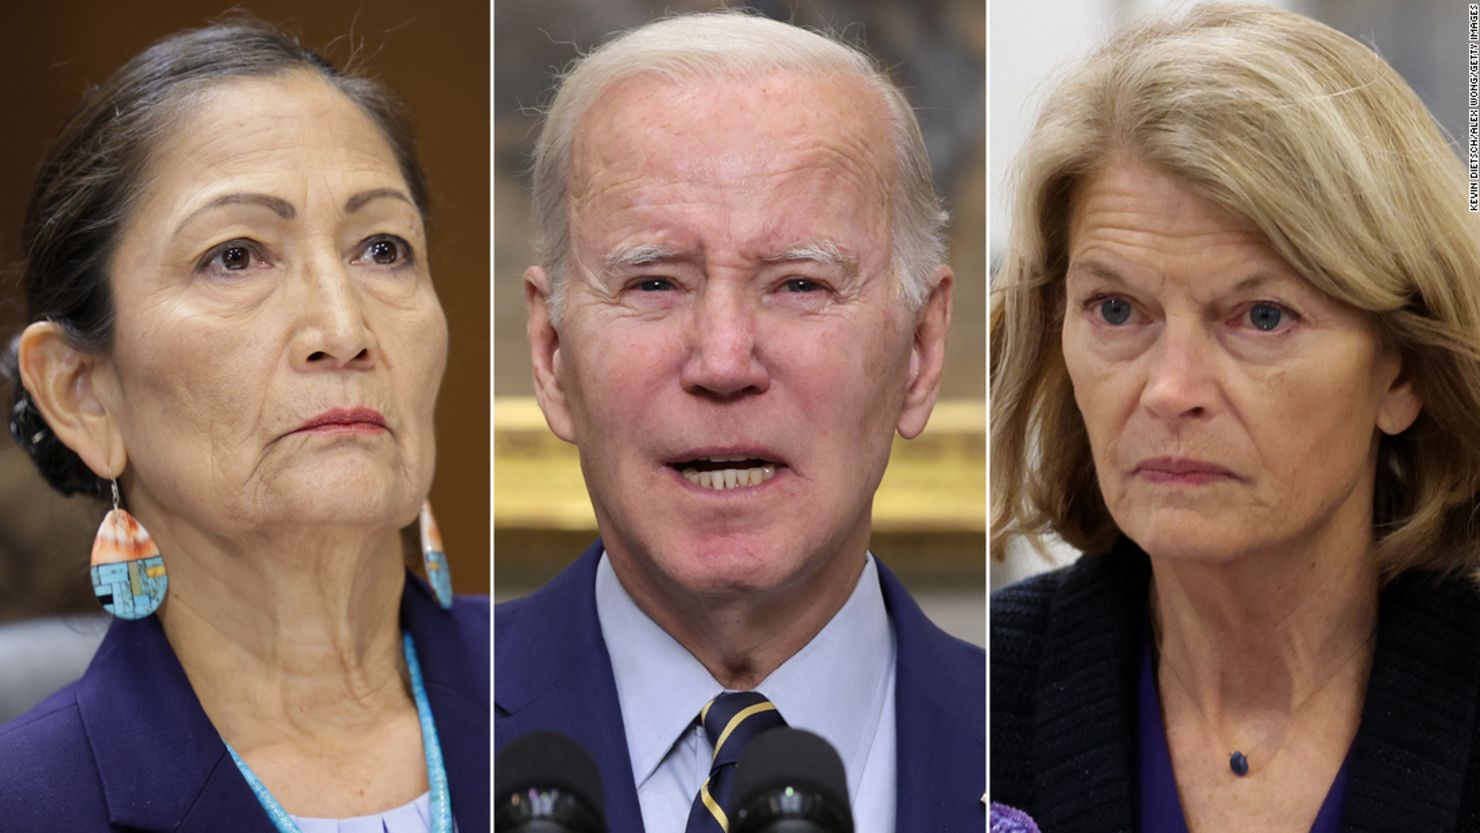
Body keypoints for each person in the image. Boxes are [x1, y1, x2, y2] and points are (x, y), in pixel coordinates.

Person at [990, 3, 1480, 832]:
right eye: (1116, 308)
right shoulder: (978, 694)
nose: (1171, 389)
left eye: (1260, 317)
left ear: (1402, 373)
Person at [495, 11, 983, 833]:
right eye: (654, 283)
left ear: (921, 350)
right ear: (550, 353)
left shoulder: (1024, 746)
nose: (723, 361)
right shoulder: (430, 739)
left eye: (800, 285)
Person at [0, 20, 489, 832]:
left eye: (381, 248)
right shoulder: (33, 805)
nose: (343, 326)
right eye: (235, 256)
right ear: (83, 391)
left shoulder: (587, 698)